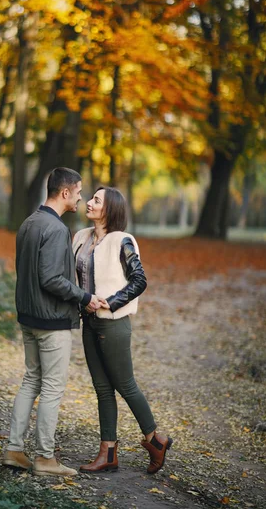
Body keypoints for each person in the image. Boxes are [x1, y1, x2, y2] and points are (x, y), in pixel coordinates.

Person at [3, 167, 104, 477]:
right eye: (78, 192)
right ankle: (45, 458)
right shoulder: (57, 229)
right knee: (51, 389)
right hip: (51, 321)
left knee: (31, 380)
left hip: (28, 318)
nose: (80, 197)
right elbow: (51, 279)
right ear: (64, 193)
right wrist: (84, 297)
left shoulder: (29, 223)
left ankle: (14, 450)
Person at [73, 186, 173, 475]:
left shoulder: (122, 241)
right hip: (88, 322)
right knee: (102, 389)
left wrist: (111, 302)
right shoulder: (80, 237)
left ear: (110, 209)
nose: (89, 202)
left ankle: (155, 440)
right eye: (90, 198)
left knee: (125, 384)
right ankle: (108, 453)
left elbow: (139, 280)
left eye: (96, 200)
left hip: (113, 323)